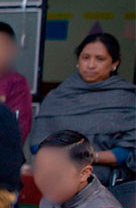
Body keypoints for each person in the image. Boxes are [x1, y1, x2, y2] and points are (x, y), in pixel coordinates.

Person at [29, 33, 136, 186]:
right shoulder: (58, 96)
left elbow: (129, 150)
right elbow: (37, 144)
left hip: (107, 185)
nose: (91, 65)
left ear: (115, 63)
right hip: (57, 182)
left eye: (100, 59)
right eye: (85, 58)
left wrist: (90, 156)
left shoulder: (127, 98)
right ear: (78, 61)